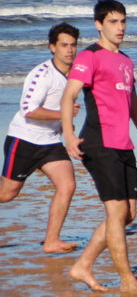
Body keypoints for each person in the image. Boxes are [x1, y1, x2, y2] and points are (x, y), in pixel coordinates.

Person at [60, 0, 137, 293]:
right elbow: (68, 96)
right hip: (98, 142)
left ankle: (82, 266)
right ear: (98, 25)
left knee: (128, 215)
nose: (120, 27)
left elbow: (133, 102)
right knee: (116, 213)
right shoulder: (89, 56)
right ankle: (127, 280)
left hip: (123, 144)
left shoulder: (126, 60)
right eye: (113, 22)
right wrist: (69, 135)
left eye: (123, 21)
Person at [2, 23, 82, 253]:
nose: (69, 50)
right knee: (7, 194)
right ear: (52, 47)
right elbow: (29, 110)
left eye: (73, 45)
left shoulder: (76, 74)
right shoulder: (42, 74)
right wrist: (64, 114)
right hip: (24, 140)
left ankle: (51, 241)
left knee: (67, 185)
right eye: (64, 45)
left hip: (50, 142)